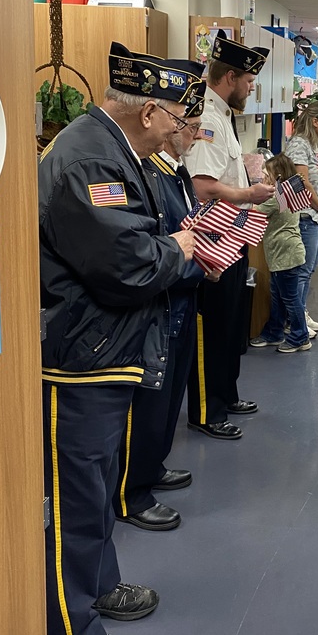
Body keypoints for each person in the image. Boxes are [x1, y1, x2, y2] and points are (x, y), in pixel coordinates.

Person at [39, 41, 200, 635]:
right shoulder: (89, 159)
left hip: (108, 348)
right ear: (152, 110)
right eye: (178, 113)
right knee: (76, 501)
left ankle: (100, 587)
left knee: (100, 488)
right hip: (83, 356)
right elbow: (130, 264)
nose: (182, 124)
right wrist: (180, 248)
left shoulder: (116, 150)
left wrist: (168, 243)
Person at [115, 62, 208, 532]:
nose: (188, 132)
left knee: (169, 397)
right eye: (183, 123)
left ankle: (151, 467)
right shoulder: (144, 170)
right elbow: (151, 242)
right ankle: (133, 491)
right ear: (153, 116)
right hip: (161, 296)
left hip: (181, 292)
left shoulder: (174, 170)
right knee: (148, 404)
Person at [185, 30, 275, 439]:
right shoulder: (206, 117)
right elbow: (203, 186)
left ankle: (227, 392)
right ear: (231, 77)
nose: (252, 89)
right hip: (211, 240)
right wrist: (249, 193)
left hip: (233, 237)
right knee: (213, 329)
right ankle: (207, 409)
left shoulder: (224, 115)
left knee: (232, 324)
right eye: (250, 82)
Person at [249, 152, 311, 353]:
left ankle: (300, 336)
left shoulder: (276, 197)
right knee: (280, 297)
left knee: (290, 299)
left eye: (266, 174)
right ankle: (274, 332)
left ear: (277, 176)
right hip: (284, 254)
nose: (262, 177)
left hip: (285, 255)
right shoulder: (289, 192)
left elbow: (251, 213)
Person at [284, 98, 318, 334]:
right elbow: (301, 183)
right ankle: (293, 320)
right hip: (306, 216)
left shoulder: (317, 145)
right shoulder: (299, 145)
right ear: (314, 122)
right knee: (301, 271)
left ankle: (300, 311)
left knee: (309, 270)